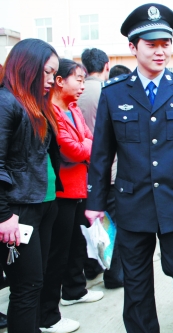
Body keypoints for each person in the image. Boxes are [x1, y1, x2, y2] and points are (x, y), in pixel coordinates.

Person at [84, 4, 173, 333]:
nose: (161, 51)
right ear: (133, 47)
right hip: (132, 203)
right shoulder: (114, 94)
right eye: (151, 44)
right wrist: (94, 202)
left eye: (166, 44)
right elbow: (102, 153)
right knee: (136, 282)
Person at [0, 38, 61, 333]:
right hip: (16, 211)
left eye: (54, 74)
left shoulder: (34, 105)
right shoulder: (6, 103)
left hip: (41, 203)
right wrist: (3, 215)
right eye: (48, 73)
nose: (52, 80)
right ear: (28, 67)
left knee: (36, 282)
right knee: (26, 286)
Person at [40, 59, 102, 333]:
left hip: (79, 187)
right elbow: (70, 151)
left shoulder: (74, 109)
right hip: (61, 192)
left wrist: (84, 145)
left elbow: (91, 140)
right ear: (60, 81)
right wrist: (85, 145)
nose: (82, 85)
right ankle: (48, 315)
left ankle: (74, 291)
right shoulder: (51, 111)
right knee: (57, 253)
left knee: (77, 245)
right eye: (78, 79)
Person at [79, 48, 124, 289]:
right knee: (112, 222)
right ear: (107, 65)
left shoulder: (76, 91)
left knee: (91, 222)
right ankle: (115, 274)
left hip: (81, 172)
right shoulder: (107, 92)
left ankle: (92, 266)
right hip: (110, 171)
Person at [78, 48, 109, 133]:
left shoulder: (74, 90)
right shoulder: (108, 91)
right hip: (99, 144)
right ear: (107, 66)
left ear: (84, 68)